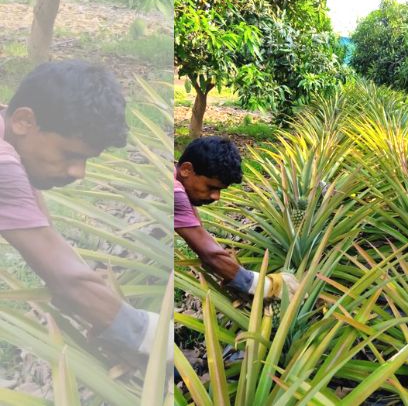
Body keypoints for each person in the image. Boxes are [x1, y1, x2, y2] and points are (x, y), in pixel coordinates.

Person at [0, 60, 169, 361]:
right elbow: (67, 280)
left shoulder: (12, 128)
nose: (79, 172)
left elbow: (47, 240)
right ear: (24, 121)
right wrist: (152, 338)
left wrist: (98, 309)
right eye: (70, 155)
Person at [174, 136, 299, 300]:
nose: (216, 196)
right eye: (211, 187)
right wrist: (267, 286)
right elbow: (210, 255)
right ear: (186, 170)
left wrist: (229, 269)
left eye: (220, 190)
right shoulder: (174, 193)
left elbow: (200, 234)